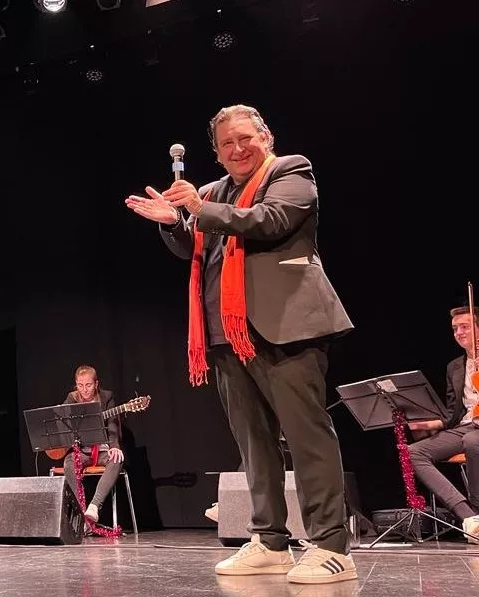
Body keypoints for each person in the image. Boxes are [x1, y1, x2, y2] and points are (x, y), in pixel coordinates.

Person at [125, 104, 356, 584]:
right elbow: (193, 245)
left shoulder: (291, 171)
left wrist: (197, 209)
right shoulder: (211, 192)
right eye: (227, 144)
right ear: (217, 152)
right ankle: (270, 541)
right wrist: (173, 222)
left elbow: (268, 221)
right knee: (254, 444)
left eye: (245, 138)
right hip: (227, 334)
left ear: (265, 135)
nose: (237, 149)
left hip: (287, 325)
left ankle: (331, 545)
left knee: (307, 436)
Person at [407, 306, 479, 542]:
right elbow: (453, 414)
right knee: (413, 452)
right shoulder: (455, 367)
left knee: (472, 442)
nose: (459, 332)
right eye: (455, 328)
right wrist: (425, 424)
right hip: (467, 425)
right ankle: (469, 517)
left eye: (465, 326)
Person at [60, 365, 123, 524]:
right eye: (80, 385)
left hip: (102, 451)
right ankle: (80, 512)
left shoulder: (107, 397)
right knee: (69, 462)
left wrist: (115, 446)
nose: (84, 389)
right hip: (82, 450)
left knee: (117, 459)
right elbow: (61, 421)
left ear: (96, 384)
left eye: (88, 385)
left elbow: (113, 423)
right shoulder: (72, 398)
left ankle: (94, 506)